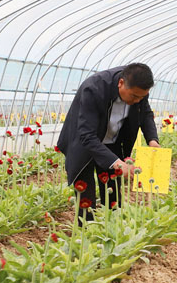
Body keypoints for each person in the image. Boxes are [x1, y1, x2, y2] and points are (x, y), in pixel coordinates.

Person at [57, 63, 160, 220]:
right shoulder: (93, 89)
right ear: (121, 83)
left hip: (112, 143)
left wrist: (152, 140)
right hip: (84, 144)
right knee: (86, 198)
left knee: (112, 195)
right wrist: (117, 163)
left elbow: (145, 113)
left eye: (142, 97)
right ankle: (86, 235)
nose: (138, 100)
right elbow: (87, 135)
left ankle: (111, 230)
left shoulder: (138, 91)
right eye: (134, 96)